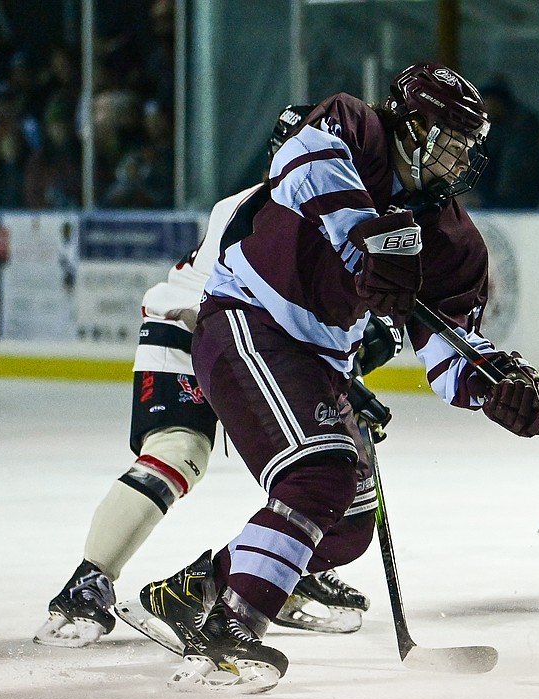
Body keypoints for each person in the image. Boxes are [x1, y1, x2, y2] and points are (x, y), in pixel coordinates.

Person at [129, 62, 539, 693]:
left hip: (321, 359)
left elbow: (448, 358)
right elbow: (304, 163)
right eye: (453, 140)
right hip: (248, 318)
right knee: (317, 474)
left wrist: (496, 385)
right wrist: (366, 239)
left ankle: (197, 588)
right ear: (413, 127)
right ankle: (229, 631)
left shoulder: (455, 243)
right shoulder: (355, 127)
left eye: (470, 147)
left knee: (348, 524)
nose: (463, 159)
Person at [34, 105, 384, 649]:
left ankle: (277, 574)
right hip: (190, 329)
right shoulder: (253, 208)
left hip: (260, 348)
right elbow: (236, 301)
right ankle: (88, 581)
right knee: (180, 449)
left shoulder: (343, 217)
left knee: (315, 471)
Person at [467, 77, 539, 209]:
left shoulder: (523, 124)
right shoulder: (488, 126)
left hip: (518, 201)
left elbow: (514, 168)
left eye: (490, 100)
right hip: (492, 200)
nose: (487, 106)